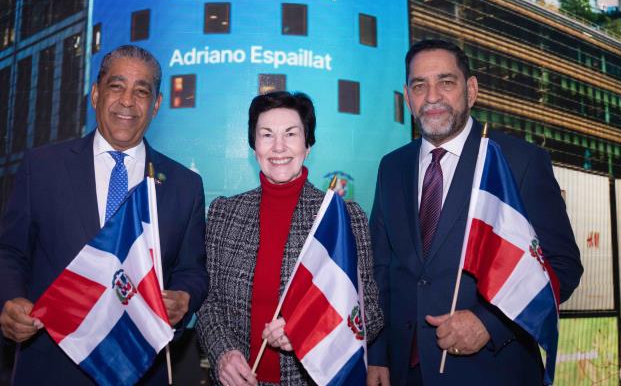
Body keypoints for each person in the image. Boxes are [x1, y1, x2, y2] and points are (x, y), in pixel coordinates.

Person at [0, 44, 208, 385]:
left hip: (140, 369)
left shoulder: (184, 185)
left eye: (141, 91)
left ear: (157, 105)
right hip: (51, 367)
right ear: (95, 93)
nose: (127, 101)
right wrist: (9, 300)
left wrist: (184, 298)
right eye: (117, 87)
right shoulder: (43, 167)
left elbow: (192, 271)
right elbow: (9, 252)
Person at [366, 39, 583, 385]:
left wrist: (489, 322)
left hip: (493, 368)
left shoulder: (518, 161)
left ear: (471, 89)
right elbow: (379, 269)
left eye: (446, 82)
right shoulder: (391, 167)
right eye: (419, 85)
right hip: (406, 374)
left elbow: (561, 266)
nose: (432, 96)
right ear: (407, 98)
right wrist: (377, 355)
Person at [196, 91, 383, 386]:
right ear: (253, 146)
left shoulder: (341, 218)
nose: (279, 147)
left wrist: (308, 329)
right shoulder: (223, 213)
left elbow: (369, 312)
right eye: (267, 134)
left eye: (291, 134)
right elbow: (209, 302)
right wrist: (223, 354)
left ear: (308, 145)